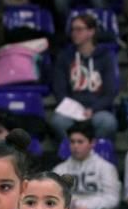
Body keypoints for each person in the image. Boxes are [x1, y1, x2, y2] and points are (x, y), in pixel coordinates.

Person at [49, 12, 118, 141]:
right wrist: (74, 110)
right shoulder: (64, 57)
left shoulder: (105, 57)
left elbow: (111, 91)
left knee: (108, 122)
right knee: (58, 122)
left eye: (79, 29)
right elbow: (59, 90)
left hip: (97, 110)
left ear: (91, 32)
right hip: (71, 110)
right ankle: (74, 152)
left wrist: (93, 109)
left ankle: (92, 153)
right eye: (73, 29)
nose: (74, 33)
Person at [54, 121, 122, 209]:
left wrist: (87, 207)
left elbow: (112, 199)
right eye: (72, 142)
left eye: (80, 142)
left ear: (92, 143)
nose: (75, 146)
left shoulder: (106, 168)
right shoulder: (59, 170)